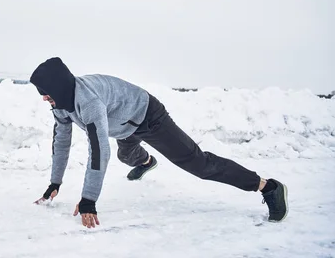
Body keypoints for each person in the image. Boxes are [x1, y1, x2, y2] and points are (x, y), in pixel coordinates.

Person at [30, 57, 288, 228]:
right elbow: (61, 142)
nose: (43, 99)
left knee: (199, 164)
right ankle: (146, 161)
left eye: (46, 93)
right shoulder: (61, 105)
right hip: (121, 125)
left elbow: (99, 151)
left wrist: (88, 199)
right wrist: (55, 182)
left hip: (148, 116)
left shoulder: (89, 102)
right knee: (126, 156)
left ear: (59, 87)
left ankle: (266, 186)